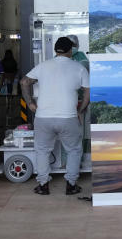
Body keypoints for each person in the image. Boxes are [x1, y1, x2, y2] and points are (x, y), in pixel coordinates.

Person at [20, 36, 90, 195]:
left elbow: (24, 82)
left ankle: (43, 186)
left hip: (43, 117)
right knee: (73, 150)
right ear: (70, 50)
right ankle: (71, 185)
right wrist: (80, 111)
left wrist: (30, 103)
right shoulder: (79, 68)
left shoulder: (43, 66)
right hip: (68, 117)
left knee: (42, 151)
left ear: (55, 50)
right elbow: (87, 94)